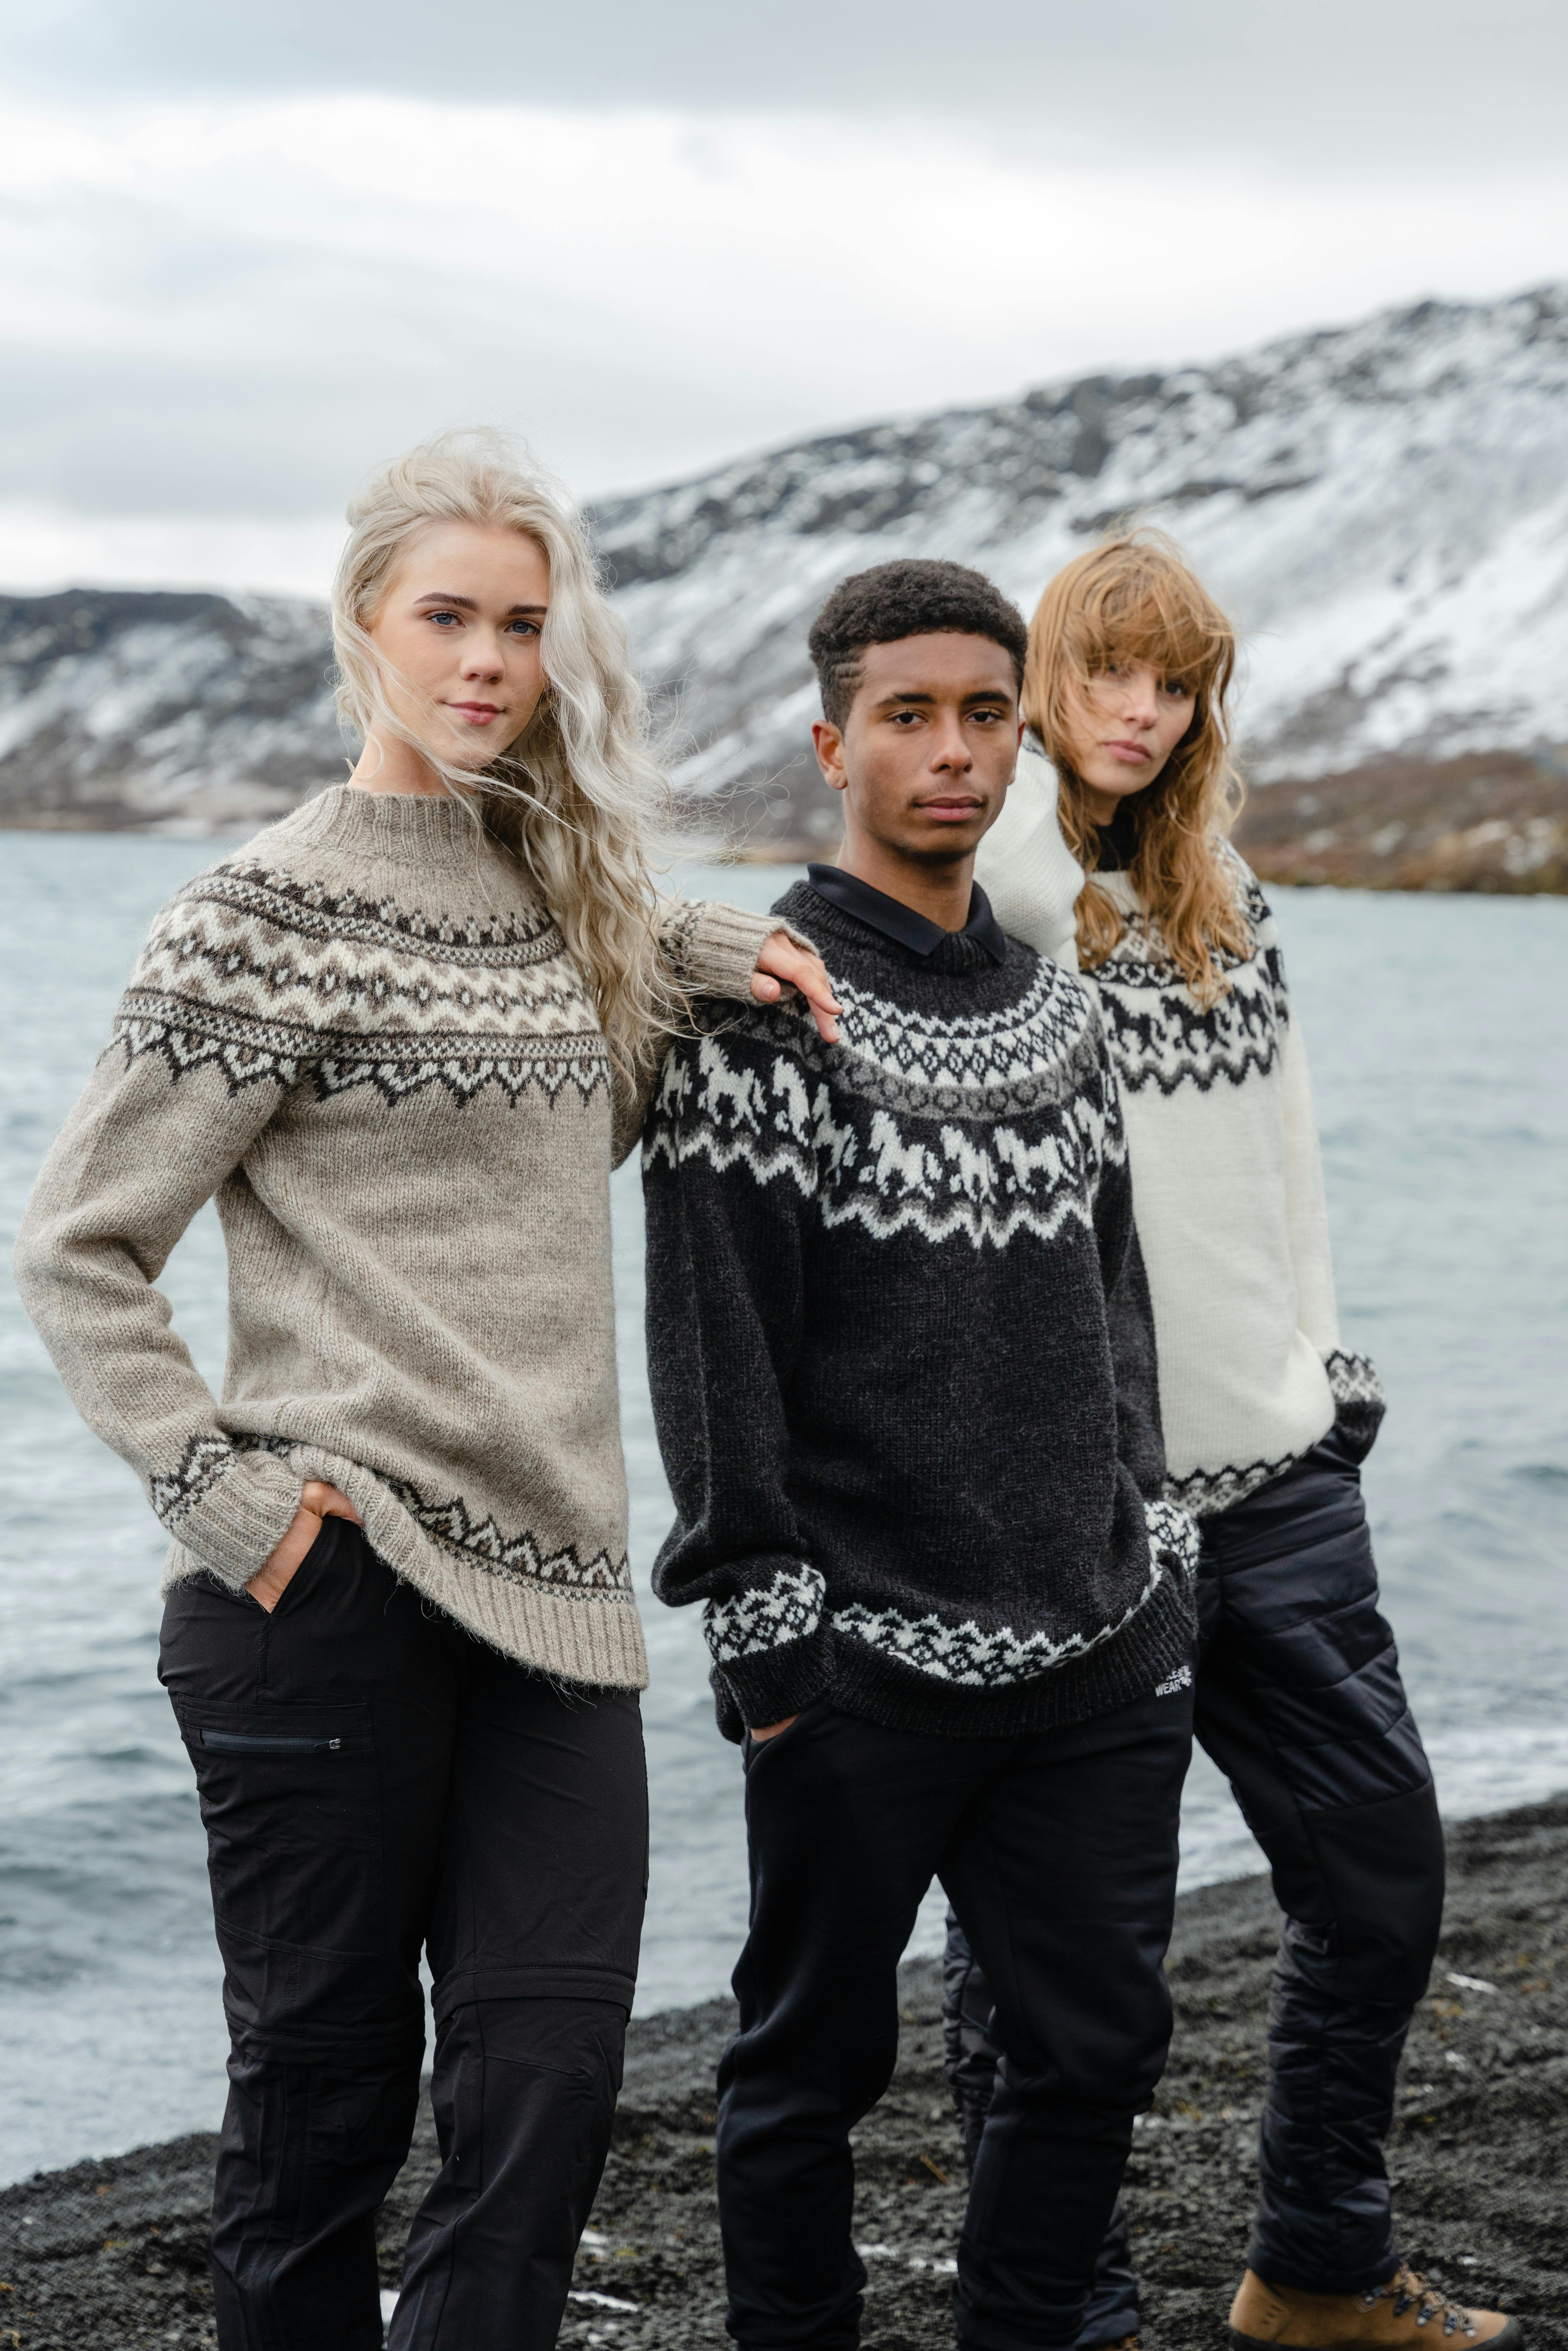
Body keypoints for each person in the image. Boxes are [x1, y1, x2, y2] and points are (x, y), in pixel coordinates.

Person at [13, 428, 841, 2351]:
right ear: (365, 625)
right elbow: (78, 1245)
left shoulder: (566, 910)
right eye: (447, 615)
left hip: (558, 1600)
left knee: (542, 2104)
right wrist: (222, 1492)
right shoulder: (259, 910)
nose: (485, 658)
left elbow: (609, 1060)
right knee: (321, 2118)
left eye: (522, 626)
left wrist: (710, 947)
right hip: (328, 1581)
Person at [946, 531, 1518, 2351]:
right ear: (1042, 686)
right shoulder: (999, 892)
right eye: (1101, 673)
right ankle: (1055, 2307)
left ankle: (1316, 2267)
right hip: (1080, 1518)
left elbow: (1282, 1167)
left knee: (1380, 1880)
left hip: (1275, 1482)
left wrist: (1325, 1372)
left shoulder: (1226, 893)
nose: (1136, 709)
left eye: (1171, 680)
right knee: (1047, 1963)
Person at [641, 556, 1201, 2351]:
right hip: (860, 1668)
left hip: (1098, 1653)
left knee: (1098, 2043)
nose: (950, 755)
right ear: (832, 744)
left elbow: (1113, 1295)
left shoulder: (1059, 1006)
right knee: (809, 2067)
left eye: (982, 716)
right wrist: (761, 1627)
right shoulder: (763, 1017)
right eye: (906, 719)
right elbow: (713, 1343)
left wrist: (1157, 1541)